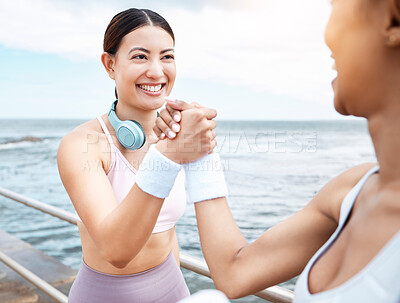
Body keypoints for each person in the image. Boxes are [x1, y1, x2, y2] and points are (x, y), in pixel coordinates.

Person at [150, 0, 400, 302]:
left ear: (392, 19)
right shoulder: (351, 191)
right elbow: (234, 272)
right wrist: (198, 149)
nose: (326, 33)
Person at [57, 8, 217, 303]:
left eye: (166, 56)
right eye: (140, 56)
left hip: (174, 290)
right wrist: (170, 155)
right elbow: (116, 250)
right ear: (110, 65)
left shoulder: (175, 134)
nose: (156, 71)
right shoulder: (82, 144)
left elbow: (169, 232)